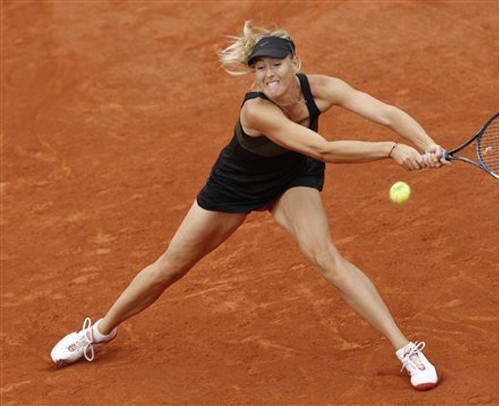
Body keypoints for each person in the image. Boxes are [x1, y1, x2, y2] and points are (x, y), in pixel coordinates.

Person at [51, 21, 450, 391]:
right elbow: (322, 147)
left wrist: (427, 143)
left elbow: (385, 111)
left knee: (325, 257)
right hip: (235, 186)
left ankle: (405, 349)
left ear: (296, 62)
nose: (268, 74)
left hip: (292, 178)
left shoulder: (323, 88)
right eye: (260, 68)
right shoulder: (255, 109)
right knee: (169, 268)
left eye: (276, 64)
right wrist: (393, 150)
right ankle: (100, 331)